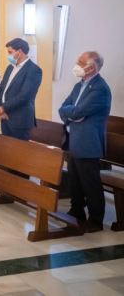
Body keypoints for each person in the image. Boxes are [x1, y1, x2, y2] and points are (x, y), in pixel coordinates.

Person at [59, 51, 111, 233]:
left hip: (88, 142)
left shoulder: (100, 89)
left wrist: (73, 113)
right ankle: (77, 211)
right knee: (75, 180)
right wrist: (72, 114)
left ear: (92, 67)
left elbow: (77, 111)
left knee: (91, 183)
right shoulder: (78, 85)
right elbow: (63, 108)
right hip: (73, 140)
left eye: (81, 62)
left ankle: (95, 220)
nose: (77, 65)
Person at [0, 38, 42, 141]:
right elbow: (0, 89)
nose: (8, 55)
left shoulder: (34, 70)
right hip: (4, 117)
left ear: (19, 52)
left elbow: (25, 95)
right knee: (6, 153)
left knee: (19, 155)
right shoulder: (10, 68)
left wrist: (4, 107)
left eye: (10, 52)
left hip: (20, 120)